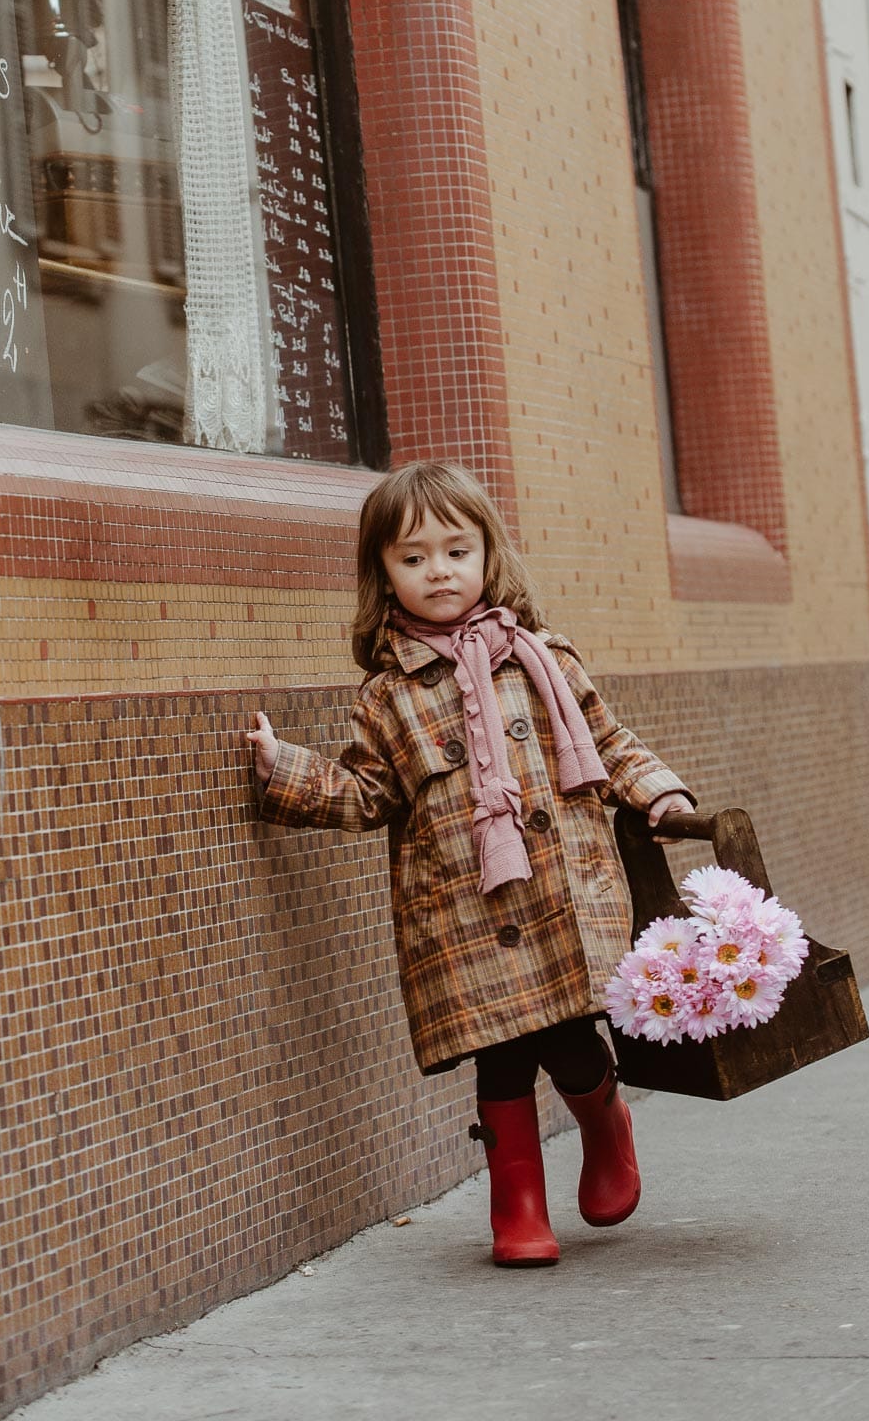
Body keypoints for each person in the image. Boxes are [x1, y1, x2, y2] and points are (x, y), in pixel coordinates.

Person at [245, 460, 696, 1268]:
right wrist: (285, 766)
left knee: (567, 1034)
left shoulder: (543, 657)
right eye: (412, 558)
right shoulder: (388, 696)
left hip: (562, 885)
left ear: (488, 554)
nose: (437, 572)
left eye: (455, 551)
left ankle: (604, 1123)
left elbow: (611, 742)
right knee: (501, 1049)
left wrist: (660, 797)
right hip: (463, 907)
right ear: (382, 574)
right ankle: (517, 1202)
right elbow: (368, 794)